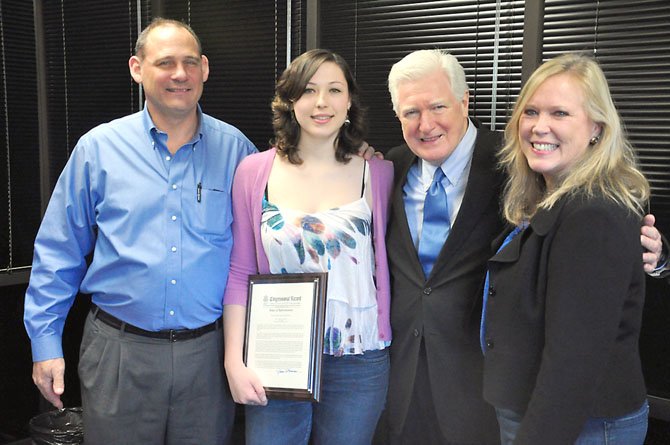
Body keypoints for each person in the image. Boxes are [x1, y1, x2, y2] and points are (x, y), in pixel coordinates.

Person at [376, 49, 665, 445]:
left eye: (438, 106)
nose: (426, 124)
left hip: (501, 394)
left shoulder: (514, 164)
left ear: (464, 102)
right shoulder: (390, 168)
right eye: (411, 112)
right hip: (413, 379)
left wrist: (656, 254)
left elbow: (579, 341)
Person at [23, 18, 256, 444]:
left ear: (204, 68)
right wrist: (45, 343)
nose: (180, 74)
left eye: (190, 62)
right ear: (137, 68)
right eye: (165, 62)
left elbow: (265, 245)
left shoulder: (239, 152)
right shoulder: (98, 149)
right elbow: (59, 250)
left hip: (209, 356)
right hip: (118, 353)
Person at [222, 49, 394, 445]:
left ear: (349, 101)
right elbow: (239, 272)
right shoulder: (253, 172)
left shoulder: (379, 173)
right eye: (309, 91)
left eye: (334, 90)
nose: (322, 102)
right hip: (277, 356)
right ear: (290, 101)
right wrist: (234, 359)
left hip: (359, 359)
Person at [481, 53, 650, 444]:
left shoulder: (593, 214)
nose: (540, 127)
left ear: (596, 128)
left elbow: (573, 362)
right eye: (531, 112)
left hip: (579, 425)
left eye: (560, 113)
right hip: (539, 411)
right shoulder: (552, 196)